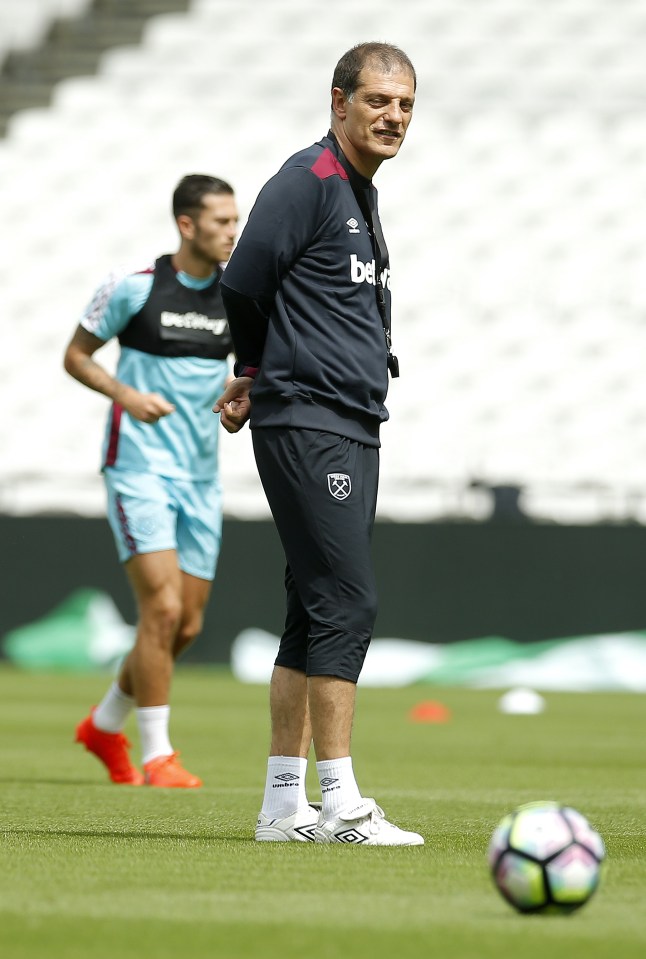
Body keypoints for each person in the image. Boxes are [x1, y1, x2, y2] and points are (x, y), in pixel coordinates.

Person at [214, 43, 423, 844]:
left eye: (404, 105)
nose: (392, 116)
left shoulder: (361, 193)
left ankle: (280, 804)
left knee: (310, 609)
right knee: (348, 601)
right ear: (338, 102)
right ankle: (341, 802)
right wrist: (255, 367)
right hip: (310, 419)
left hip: (348, 420)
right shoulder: (309, 182)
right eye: (376, 100)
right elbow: (242, 279)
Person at [64, 174, 238, 788]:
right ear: (187, 225)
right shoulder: (134, 289)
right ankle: (158, 754)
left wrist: (238, 403)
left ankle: (105, 724)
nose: (232, 231)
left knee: (185, 625)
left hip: (200, 476)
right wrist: (126, 394)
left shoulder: (237, 297)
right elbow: (77, 356)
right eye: (221, 221)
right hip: (137, 467)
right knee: (160, 608)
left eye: (235, 220)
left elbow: (246, 375)